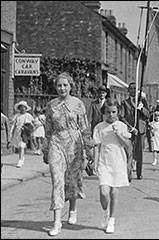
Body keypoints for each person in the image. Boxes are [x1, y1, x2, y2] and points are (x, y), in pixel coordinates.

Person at [42, 72, 94, 236]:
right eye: (59, 85)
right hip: (56, 144)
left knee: (72, 178)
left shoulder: (78, 104)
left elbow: (84, 127)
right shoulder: (51, 105)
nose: (62, 88)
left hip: (74, 144)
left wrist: (89, 147)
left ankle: (73, 208)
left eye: (65, 85)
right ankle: (57, 222)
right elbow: (48, 130)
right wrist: (45, 150)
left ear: (70, 86)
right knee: (57, 181)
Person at [93, 99, 132, 234]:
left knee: (114, 191)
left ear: (118, 112)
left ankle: (112, 220)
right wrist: (95, 162)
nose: (111, 115)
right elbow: (97, 146)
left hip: (118, 161)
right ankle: (105, 212)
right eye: (108, 112)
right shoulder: (99, 127)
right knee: (104, 191)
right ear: (104, 112)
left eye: (114, 112)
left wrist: (118, 133)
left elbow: (127, 145)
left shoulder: (121, 126)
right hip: (104, 161)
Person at [120, 82, 150, 180]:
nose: (133, 91)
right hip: (130, 130)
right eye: (131, 89)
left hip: (140, 130)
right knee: (129, 151)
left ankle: (139, 173)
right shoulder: (125, 102)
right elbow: (122, 116)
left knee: (139, 152)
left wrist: (142, 109)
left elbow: (148, 115)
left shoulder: (142, 101)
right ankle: (128, 173)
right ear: (128, 91)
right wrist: (129, 127)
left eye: (134, 89)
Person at [9, 100, 34, 168]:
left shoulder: (28, 116)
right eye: (21, 107)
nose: (22, 108)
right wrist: (11, 132)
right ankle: (22, 157)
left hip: (24, 133)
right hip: (18, 132)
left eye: (24, 107)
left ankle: (20, 160)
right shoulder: (17, 115)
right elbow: (13, 125)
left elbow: (31, 125)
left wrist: (27, 128)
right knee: (19, 147)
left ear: (26, 108)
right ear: (19, 108)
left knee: (22, 146)